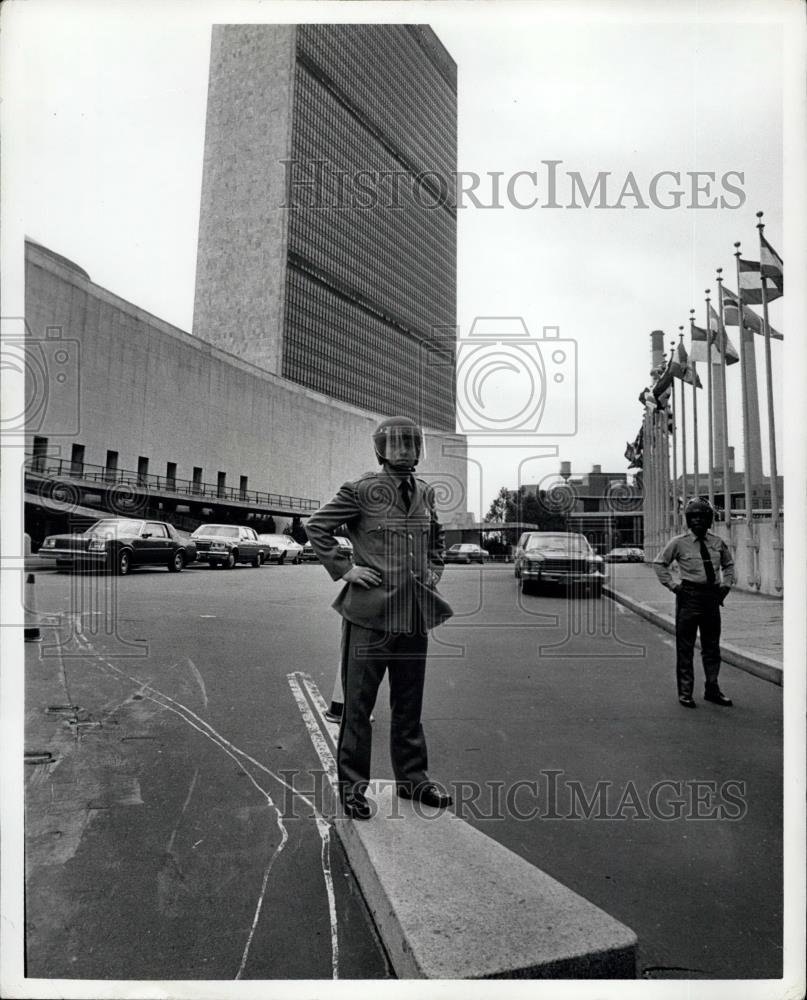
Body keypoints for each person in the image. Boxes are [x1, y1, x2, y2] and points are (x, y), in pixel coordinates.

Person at [305, 416, 453, 819]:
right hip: (369, 617)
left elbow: (436, 537)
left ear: (420, 449)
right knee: (358, 708)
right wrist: (345, 568)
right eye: (397, 443)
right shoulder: (361, 490)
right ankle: (353, 789)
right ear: (381, 449)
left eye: (411, 443)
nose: (405, 450)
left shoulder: (424, 492)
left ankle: (413, 780)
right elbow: (317, 526)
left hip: (413, 617)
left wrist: (435, 567)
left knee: (409, 706)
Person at [653, 497, 735, 709]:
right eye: (694, 517)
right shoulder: (678, 542)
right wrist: (674, 587)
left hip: (711, 598)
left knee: (711, 647)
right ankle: (686, 692)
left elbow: (728, 564)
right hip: (689, 597)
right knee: (685, 647)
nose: (698, 521)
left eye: (702, 517)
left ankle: (712, 688)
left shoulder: (717, 542)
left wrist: (725, 586)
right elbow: (660, 564)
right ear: (688, 520)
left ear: (709, 520)